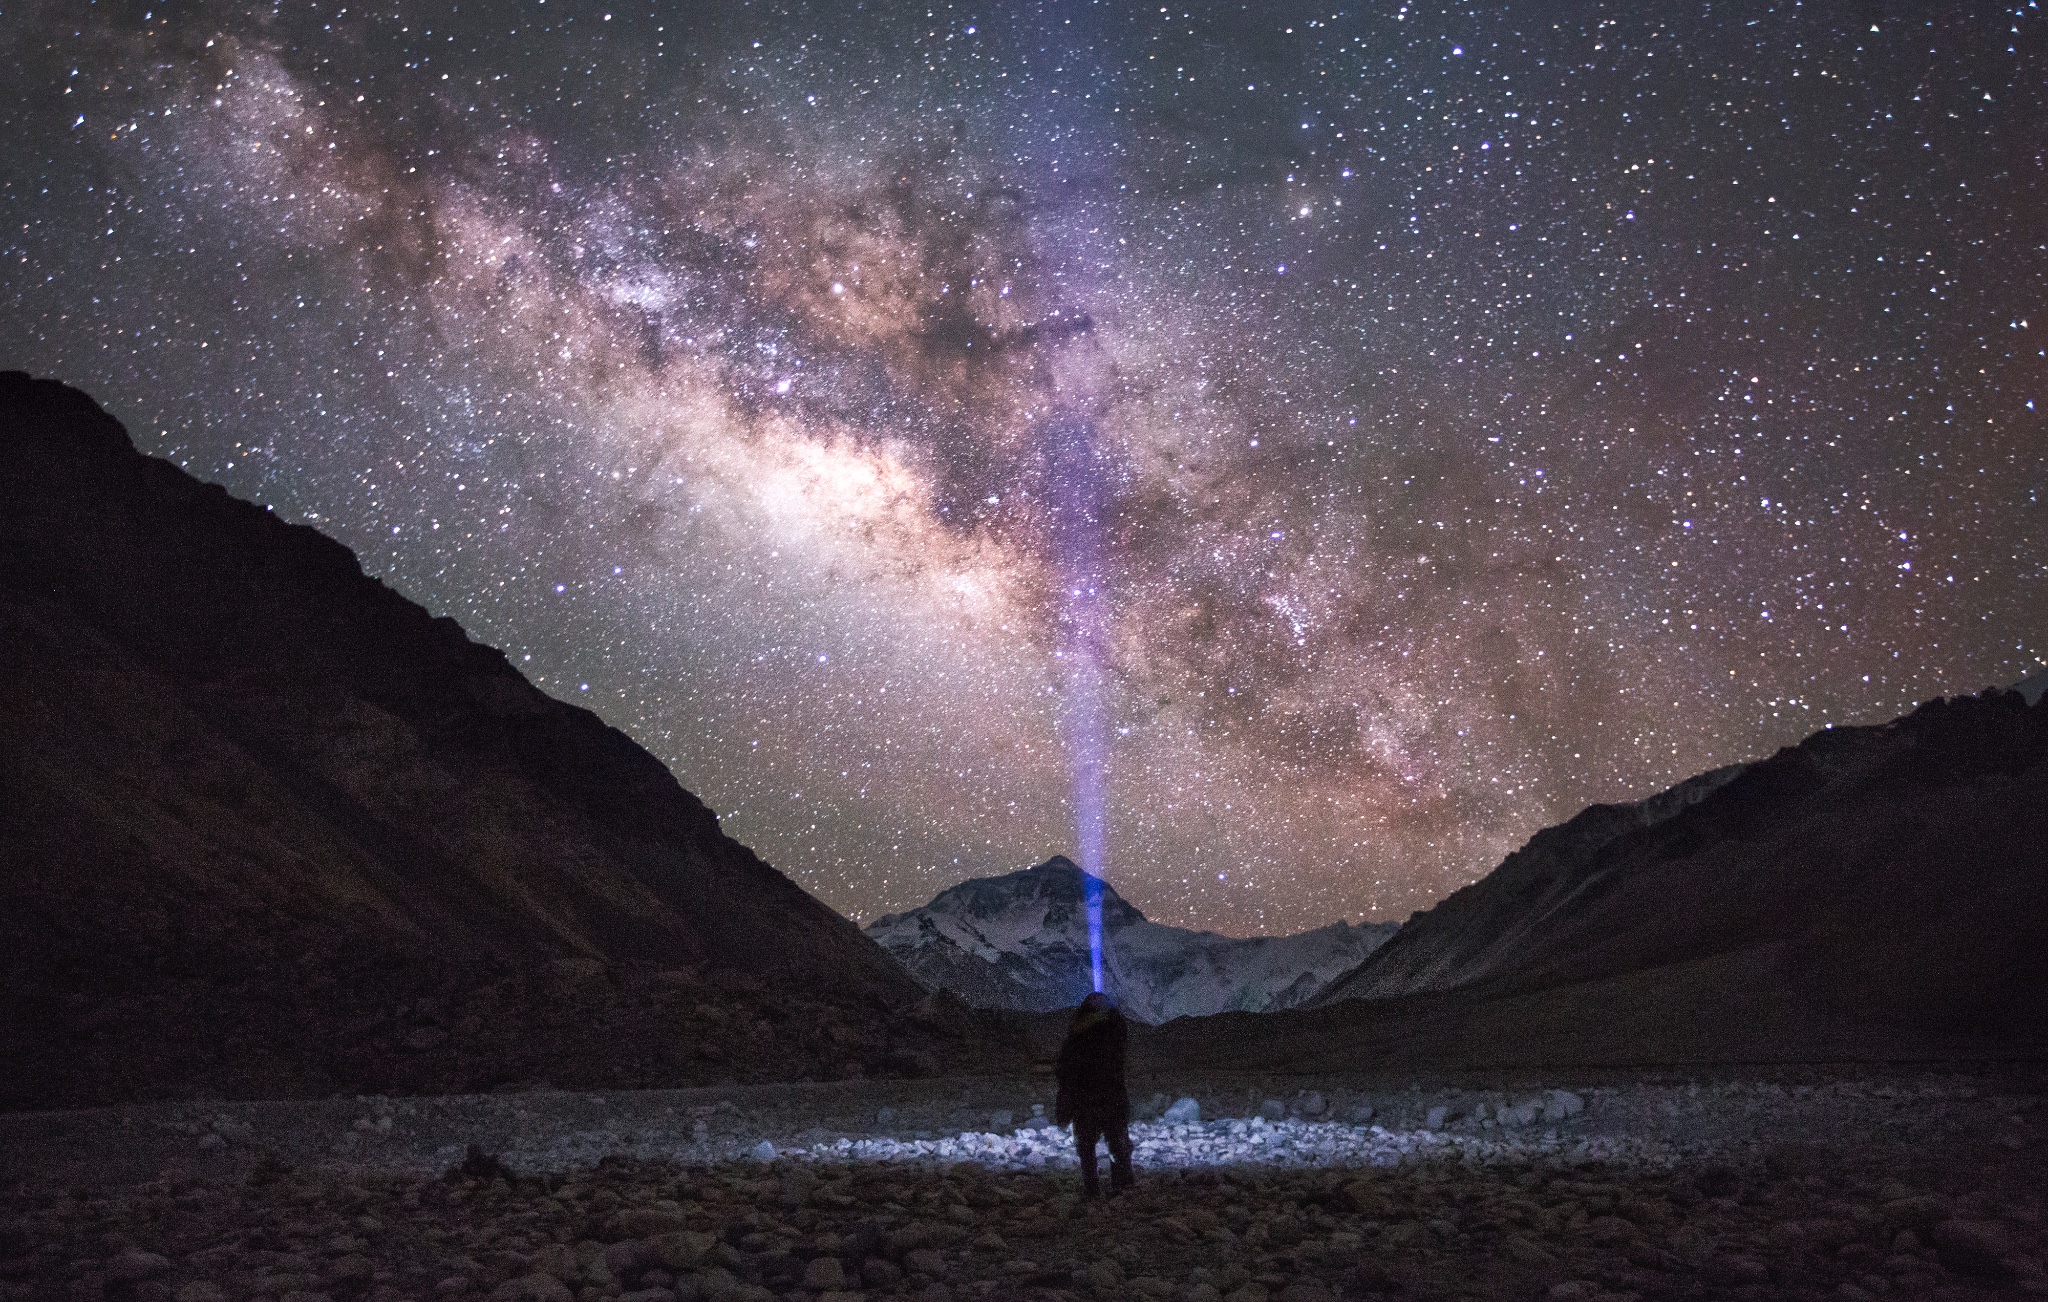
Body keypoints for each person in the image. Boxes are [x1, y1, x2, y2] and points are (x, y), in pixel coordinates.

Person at [1054, 990, 1134, 1197]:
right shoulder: (1115, 1029)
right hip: (1111, 1097)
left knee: (1087, 1145)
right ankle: (1121, 1183)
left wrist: (1065, 1105)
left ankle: (1092, 1187)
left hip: (1086, 1099)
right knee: (1116, 1141)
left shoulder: (1078, 1035)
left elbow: (1065, 1070)